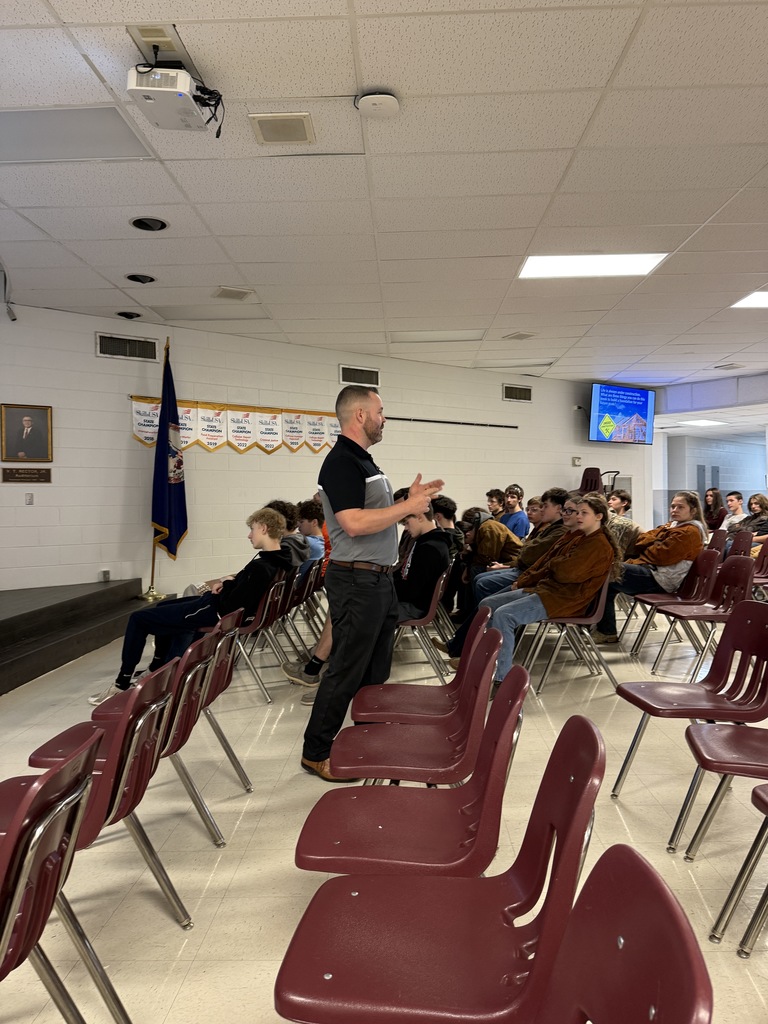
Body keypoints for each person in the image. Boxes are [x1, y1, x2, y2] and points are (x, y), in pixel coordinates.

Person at [300, 385, 443, 783]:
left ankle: (366, 736)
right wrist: (407, 508)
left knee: (376, 666)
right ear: (360, 415)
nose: (385, 418)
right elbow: (353, 523)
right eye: (381, 411)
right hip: (356, 579)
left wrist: (409, 502)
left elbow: (373, 516)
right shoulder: (342, 461)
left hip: (378, 579)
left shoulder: (363, 460)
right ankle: (316, 752)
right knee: (346, 667)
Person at [88, 508, 293, 705]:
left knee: (138, 619)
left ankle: (121, 683)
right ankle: (157, 669)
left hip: (212, 611)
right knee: (163, 609)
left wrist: (227, 583)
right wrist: (230, 581)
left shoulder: (262, 566)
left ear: (264, 529)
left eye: (253, 529)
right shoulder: (277, 559)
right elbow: (244, 589)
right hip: (212, 605)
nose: (249, 535)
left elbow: (232, 604)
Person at [479, 493, 619, 693]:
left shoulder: (598, 544)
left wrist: (555, 565)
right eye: (577, 512)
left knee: (504, 615)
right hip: (548, 590)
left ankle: (502, 679)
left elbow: (566, 572)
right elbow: (553, 566)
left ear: (599, 516)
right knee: (488, 604)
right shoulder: (580, 537)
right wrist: (549, 569)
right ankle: (487, 663)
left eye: (584, 513)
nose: (578, 516)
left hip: (563, 599)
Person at [592, 490, 707, 643]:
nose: (674, 510)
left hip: (661, 580)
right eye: (673, 506)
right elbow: (642, 540)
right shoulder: (672, 525)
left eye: (680, 507)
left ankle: (603, 630)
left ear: (693, 510)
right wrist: (655, 543)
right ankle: (604, 630)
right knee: (606, 580)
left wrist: (653, 544)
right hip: (652, 571)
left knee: (608, 569)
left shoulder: (689, 531)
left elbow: (659, 556)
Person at [394, 507, 452, 621]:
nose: (406, 528)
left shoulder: (430, 548)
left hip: (414, 606)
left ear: (420, 517)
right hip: (413, 601)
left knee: (367, 607)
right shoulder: (427, 542)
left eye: (407, 523)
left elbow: (412, 590)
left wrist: (385, 589)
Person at [296, 498, 326, 577]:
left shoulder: (309, 543)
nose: (298, 526)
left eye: (301, 522)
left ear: (314, 522)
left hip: (296, 587)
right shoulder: (321, 541)